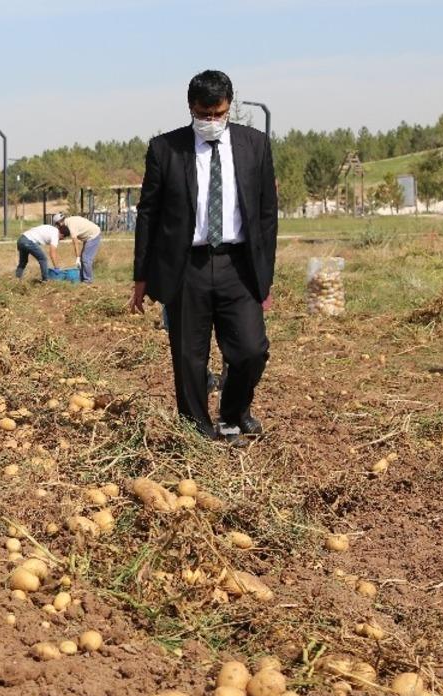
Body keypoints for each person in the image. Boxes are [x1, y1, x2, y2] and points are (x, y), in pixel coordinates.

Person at [131, 70, 277, 444]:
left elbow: (266, 214)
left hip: (237, 264)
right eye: (203, 114)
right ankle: (197, 430)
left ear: (229, 107)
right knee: (189, 356)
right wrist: (141, 276)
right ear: (190, 108)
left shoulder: (255, 145)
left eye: (219, 113)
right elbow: (148, 214)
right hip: (186, 266)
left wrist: (264, 275)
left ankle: (234, 414)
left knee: (251, 349)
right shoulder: (165, 149)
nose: (211, 121)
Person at [56, 212, 102, 284]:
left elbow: (75, 243)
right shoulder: (69, 221)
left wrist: (77, 257)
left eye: (57, 225)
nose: (58, 227)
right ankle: (82, 279)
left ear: (60, 223)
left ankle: (88, 281)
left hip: (93, 235)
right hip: (89, 236)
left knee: (86, 258)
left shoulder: (71, 226)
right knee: (83, 258)